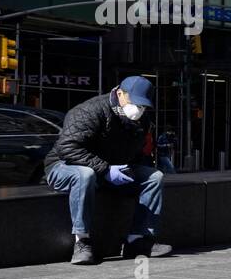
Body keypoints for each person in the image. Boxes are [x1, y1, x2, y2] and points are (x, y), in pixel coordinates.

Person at [44, 76, 172, 265]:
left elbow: (136, 153)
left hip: (109, 169)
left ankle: (137, 240)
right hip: (65, 166)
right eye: (135, 103)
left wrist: (125, 170)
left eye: (143, 105)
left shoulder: (141, 120)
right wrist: (105, 169)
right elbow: (68, 148)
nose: (139, 109)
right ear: (120, 94)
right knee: (84, 174)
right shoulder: (89, 111)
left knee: (154, 177)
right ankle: (82, 241)